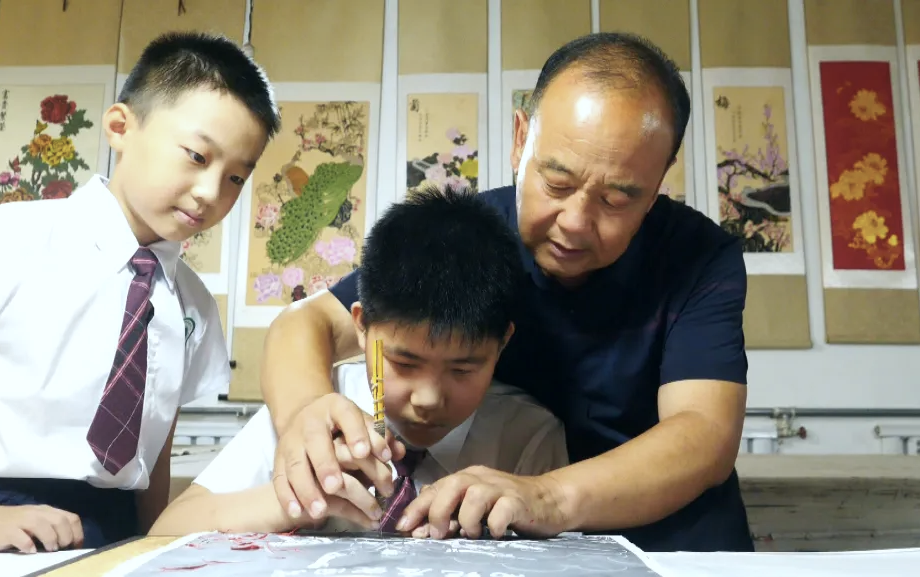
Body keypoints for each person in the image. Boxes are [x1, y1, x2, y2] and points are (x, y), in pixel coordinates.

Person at [258, 31, 752, 552]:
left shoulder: (699, 258)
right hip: (512, 544)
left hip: (675, 547)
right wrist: (306, 414)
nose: (575, 222)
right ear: (520, 140)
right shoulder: (470, 236)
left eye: (615, 200)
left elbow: (704, 433)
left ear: (658, 181)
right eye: (557, 184)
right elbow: (304, 322)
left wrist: (545, 497)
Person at [149, 186, 568, 537]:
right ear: (362, 326)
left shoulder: (529, 438)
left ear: (503, 343)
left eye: (462, 369)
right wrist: (296, 501)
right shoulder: (317, 414)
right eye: (404, 364)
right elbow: (166, 530)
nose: (427, 398)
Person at [0, 31, 280, 552]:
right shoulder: (13, 240)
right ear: (120, 127)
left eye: (236, 179)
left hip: (115, 528)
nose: (210, 193)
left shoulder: (193, 304)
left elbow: (156, 451)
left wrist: (155, 547)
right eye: (197, 156)